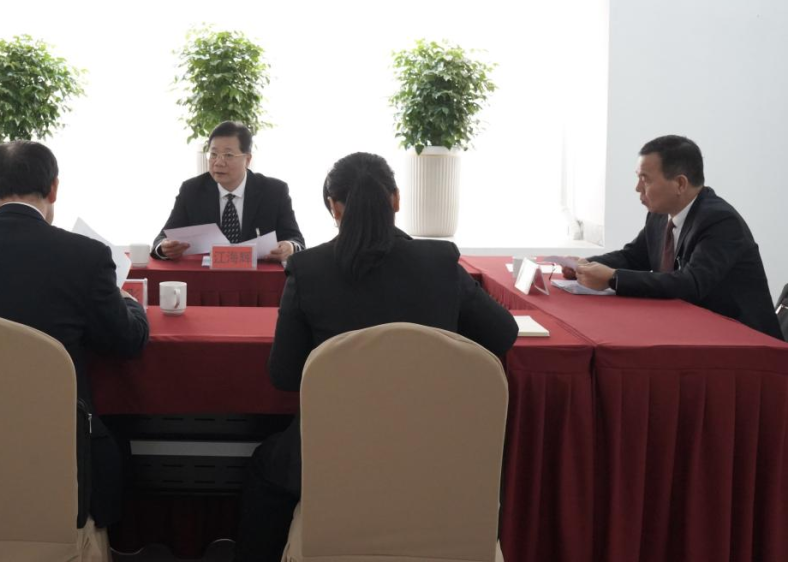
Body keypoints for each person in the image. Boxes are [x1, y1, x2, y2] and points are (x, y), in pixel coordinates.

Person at [234, 152, 518, 562]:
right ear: (397, 199)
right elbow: (504, 334)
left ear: (333, 207)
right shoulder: (439, 263)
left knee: (265, 468)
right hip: (434, 457)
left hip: (335, 459)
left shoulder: (308, 269)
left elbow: (284, 374)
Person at [0, 140, 149, 528]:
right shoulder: (87, 255)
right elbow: (126, 342)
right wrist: (129, 302)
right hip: (59, 447)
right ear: (53, 188)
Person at [567, 135, 782, 340]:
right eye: (638, 178)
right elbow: (633, 257)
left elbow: (690, 284)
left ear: (680, 184)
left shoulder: (721, 221)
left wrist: (613, 278)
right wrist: (584, 265)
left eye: (645, 179)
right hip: (692, 330)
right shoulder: (660, 215)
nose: (637, 188)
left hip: (745, 343)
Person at [153, 121, 305, 263]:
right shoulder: (192, 190)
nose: (218, 162)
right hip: (206, 277)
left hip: (256, 277)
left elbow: (296, 240)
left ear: (247, 159)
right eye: (213, 154)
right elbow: (162, 239)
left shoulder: (274, 191)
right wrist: (165, 248)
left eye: (228, 155)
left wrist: (290, 247)